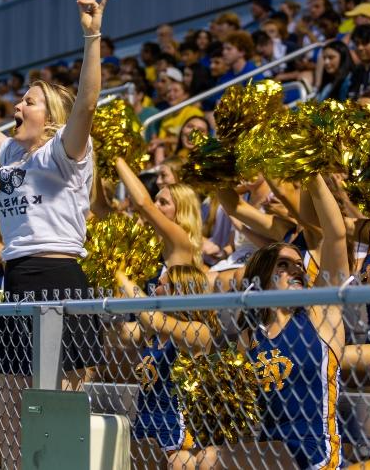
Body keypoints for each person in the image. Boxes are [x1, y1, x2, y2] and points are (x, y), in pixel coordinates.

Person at [0, 0, 110, 468]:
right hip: (16, 281)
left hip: (59, 280)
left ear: (52, 118)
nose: (17, 106)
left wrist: (92, 35)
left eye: (29, 101)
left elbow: (87, 103)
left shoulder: (65, 151)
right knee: (6, 399)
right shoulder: (12, 153)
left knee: (58, 410)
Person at [233, 173, 347, 469]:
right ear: (262, 278)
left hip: (317, 458)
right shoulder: (248, 337)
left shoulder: (320, 313)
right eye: (283, 265)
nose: (296, 270)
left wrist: (311, 171)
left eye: (299, 264)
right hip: (267, 456)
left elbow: (335, 235)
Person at [116, 265, 220, 470]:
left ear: (179, 291)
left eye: (161, 285)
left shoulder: (198, 330)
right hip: (144, 426)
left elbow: (155, 321)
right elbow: (122, 334)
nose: (154, 289)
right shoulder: (151, 334)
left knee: (178, 463)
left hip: (178, 433)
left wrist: (121, 276)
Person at [116, 157, 203, 269]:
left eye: (163, 202)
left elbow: (144, 203)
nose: (156, 205)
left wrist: (116, 158)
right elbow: (100, 208)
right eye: (156, 200)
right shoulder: (153, 233)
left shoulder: (181, 237)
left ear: (181, 210)